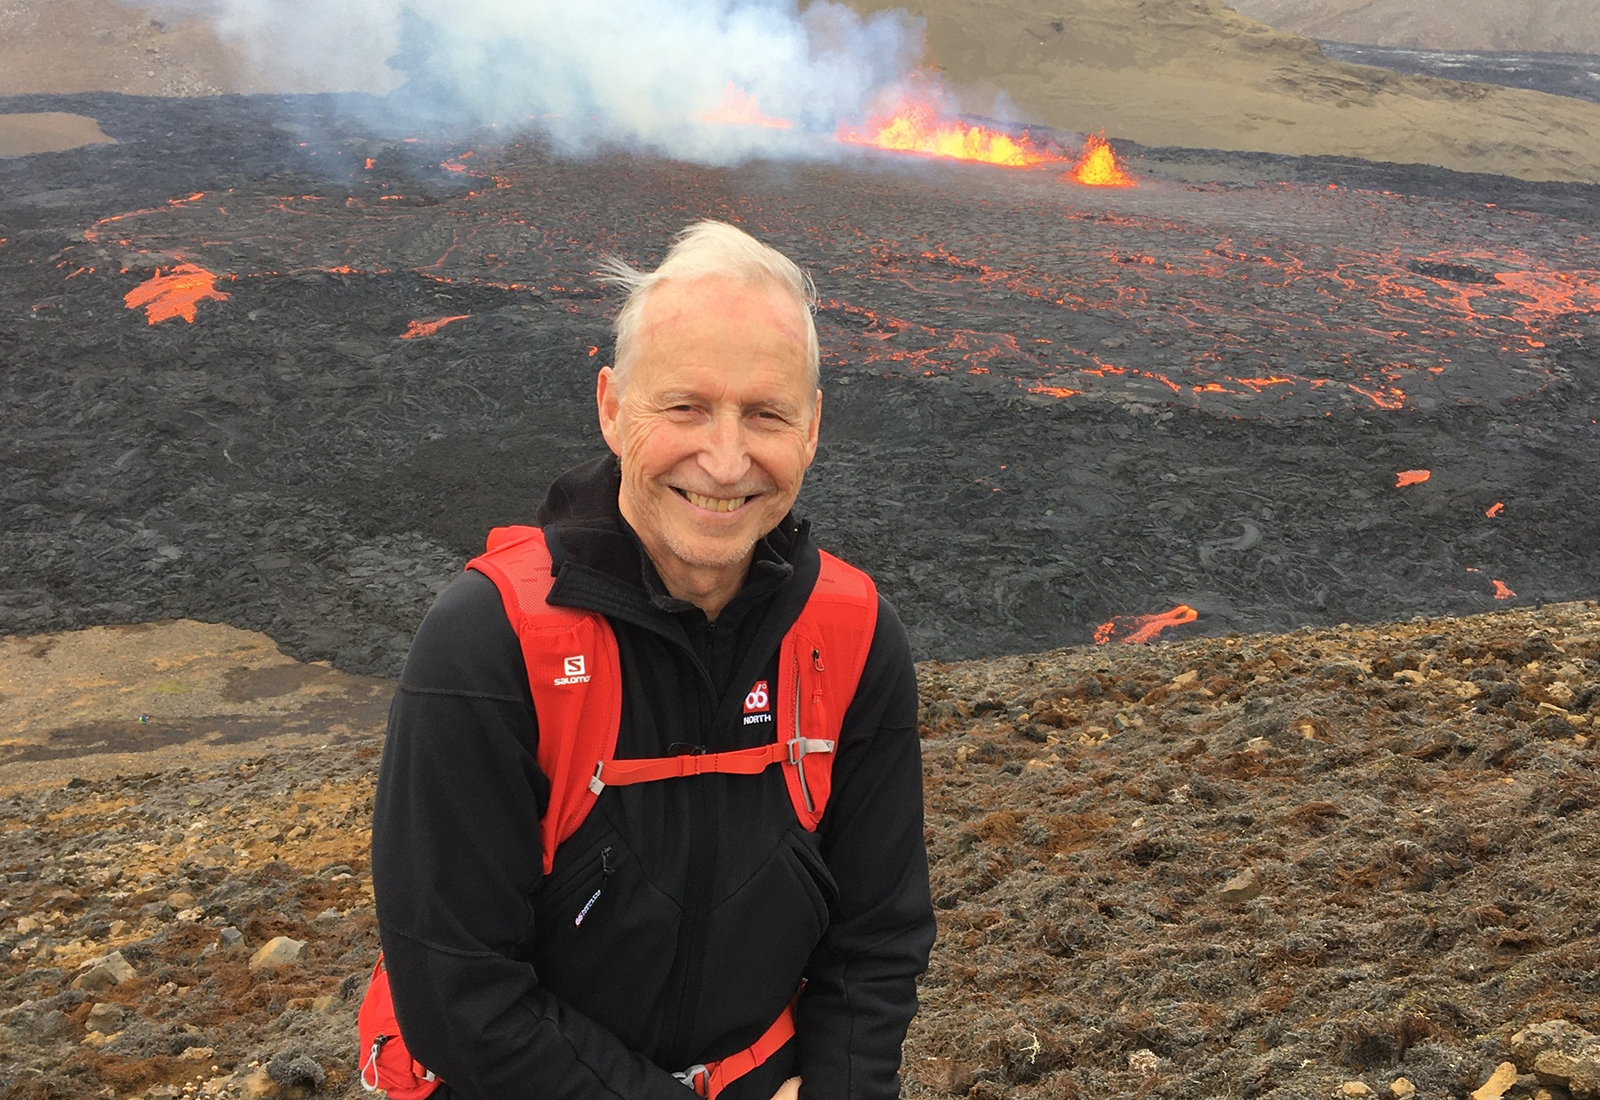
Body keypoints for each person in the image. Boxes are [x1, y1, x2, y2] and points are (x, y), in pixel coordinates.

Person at [371, 220, 935, 1100]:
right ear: (610, 406)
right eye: (685, 407)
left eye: (766, 414)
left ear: (813, 428)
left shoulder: (853, 635)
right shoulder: (493, 642)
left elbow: (879, 936)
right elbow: (457, 994)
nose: (724, 457)